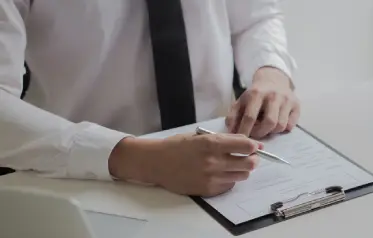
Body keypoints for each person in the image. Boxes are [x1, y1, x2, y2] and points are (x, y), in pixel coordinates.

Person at [0, 0, 300, 196]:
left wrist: (271, 71)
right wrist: (142, 160)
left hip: (227, 168)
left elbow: (255, 16)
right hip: (86, 183)